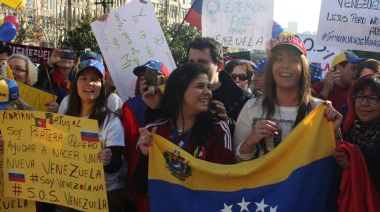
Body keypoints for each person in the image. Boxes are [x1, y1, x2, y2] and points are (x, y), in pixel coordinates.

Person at [233, 33, 342, 161]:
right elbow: (237, 162)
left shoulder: (319, 110)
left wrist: (335, 133)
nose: (285, 65)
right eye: (279, 59)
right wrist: (251, 141)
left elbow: (333, 163)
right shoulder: (251, 107)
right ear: (271, 67)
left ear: (303, 68)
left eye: (293, 60)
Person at [132, 63, 233, 195]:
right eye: (199, 86)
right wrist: (146, 156)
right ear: (179, 90)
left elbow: (224, 182)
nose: (207, 92)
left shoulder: (218, 129)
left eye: (208, 87)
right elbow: (140, 187)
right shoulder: (154, 130)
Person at [61, 59, 127, 212]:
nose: (88, 83)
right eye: (83, 78)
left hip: (102, 197)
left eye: (94, 79)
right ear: (76, 83)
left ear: (102, 85)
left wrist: (109, 158)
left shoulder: (112, 122)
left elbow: (115, 166)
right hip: (67, 196)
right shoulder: (64, 119)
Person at [333, 74, 380, 193]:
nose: (364, 103)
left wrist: (353, 155)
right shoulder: (343, 128)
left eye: (373, 98)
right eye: (359, 97)